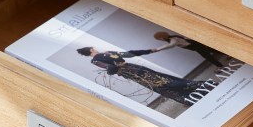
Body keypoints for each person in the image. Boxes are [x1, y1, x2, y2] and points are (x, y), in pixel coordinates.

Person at [76, 46, 205, 105]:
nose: (96, 50)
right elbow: (128, 54)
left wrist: (117, 64)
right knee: (164, 81)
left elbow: (110, 69)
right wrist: (148, 51)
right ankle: (192, 92)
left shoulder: (97, 60)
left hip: (132, 73)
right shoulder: (107, 54)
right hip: (135, 69)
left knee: (162, 84)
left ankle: (198, 87)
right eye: (94, 49)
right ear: (91, 50)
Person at [153, 31, 229, 66]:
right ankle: (228, 54)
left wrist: (158, 48)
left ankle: (220, 66)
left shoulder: (173, 39)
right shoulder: (172, 37)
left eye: (160, 39)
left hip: (195, 45)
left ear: (162, 37)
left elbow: (171, 45)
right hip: (194, 45)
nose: (161, 40)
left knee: (207, 56)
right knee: (212, 50)